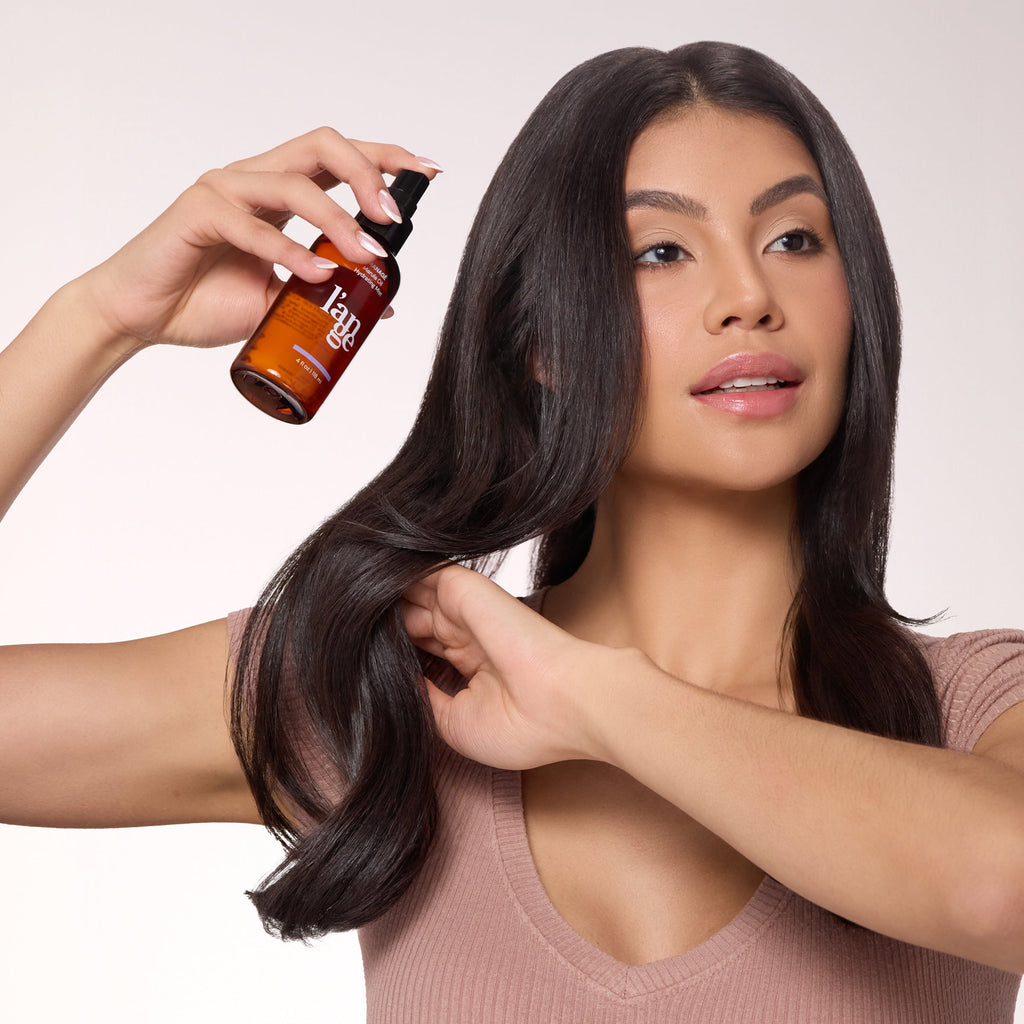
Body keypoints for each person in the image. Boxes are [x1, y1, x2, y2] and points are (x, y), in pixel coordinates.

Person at [2, 41, 1023, 1022]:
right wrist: (99, 318)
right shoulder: (395, 697)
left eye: (793, 239)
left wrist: (596, 700)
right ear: (543, 344)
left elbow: (1001, 884)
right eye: (661, 251)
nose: (750, 297)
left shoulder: (976, 710)